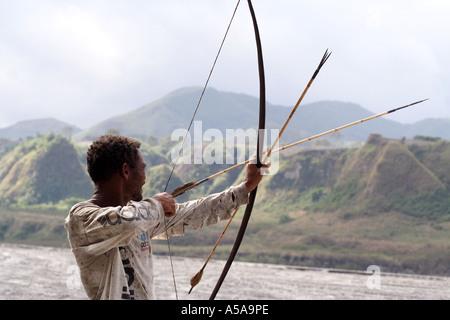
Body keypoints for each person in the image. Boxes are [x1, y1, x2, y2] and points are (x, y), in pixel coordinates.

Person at [65, 135, 268, 300]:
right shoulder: (81, 219)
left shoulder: (140, 215)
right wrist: (157, 204)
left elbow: (192, 212)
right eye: (143, 169)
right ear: (126, 171)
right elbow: (128, 222)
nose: (145, 178)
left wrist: (245, 187)